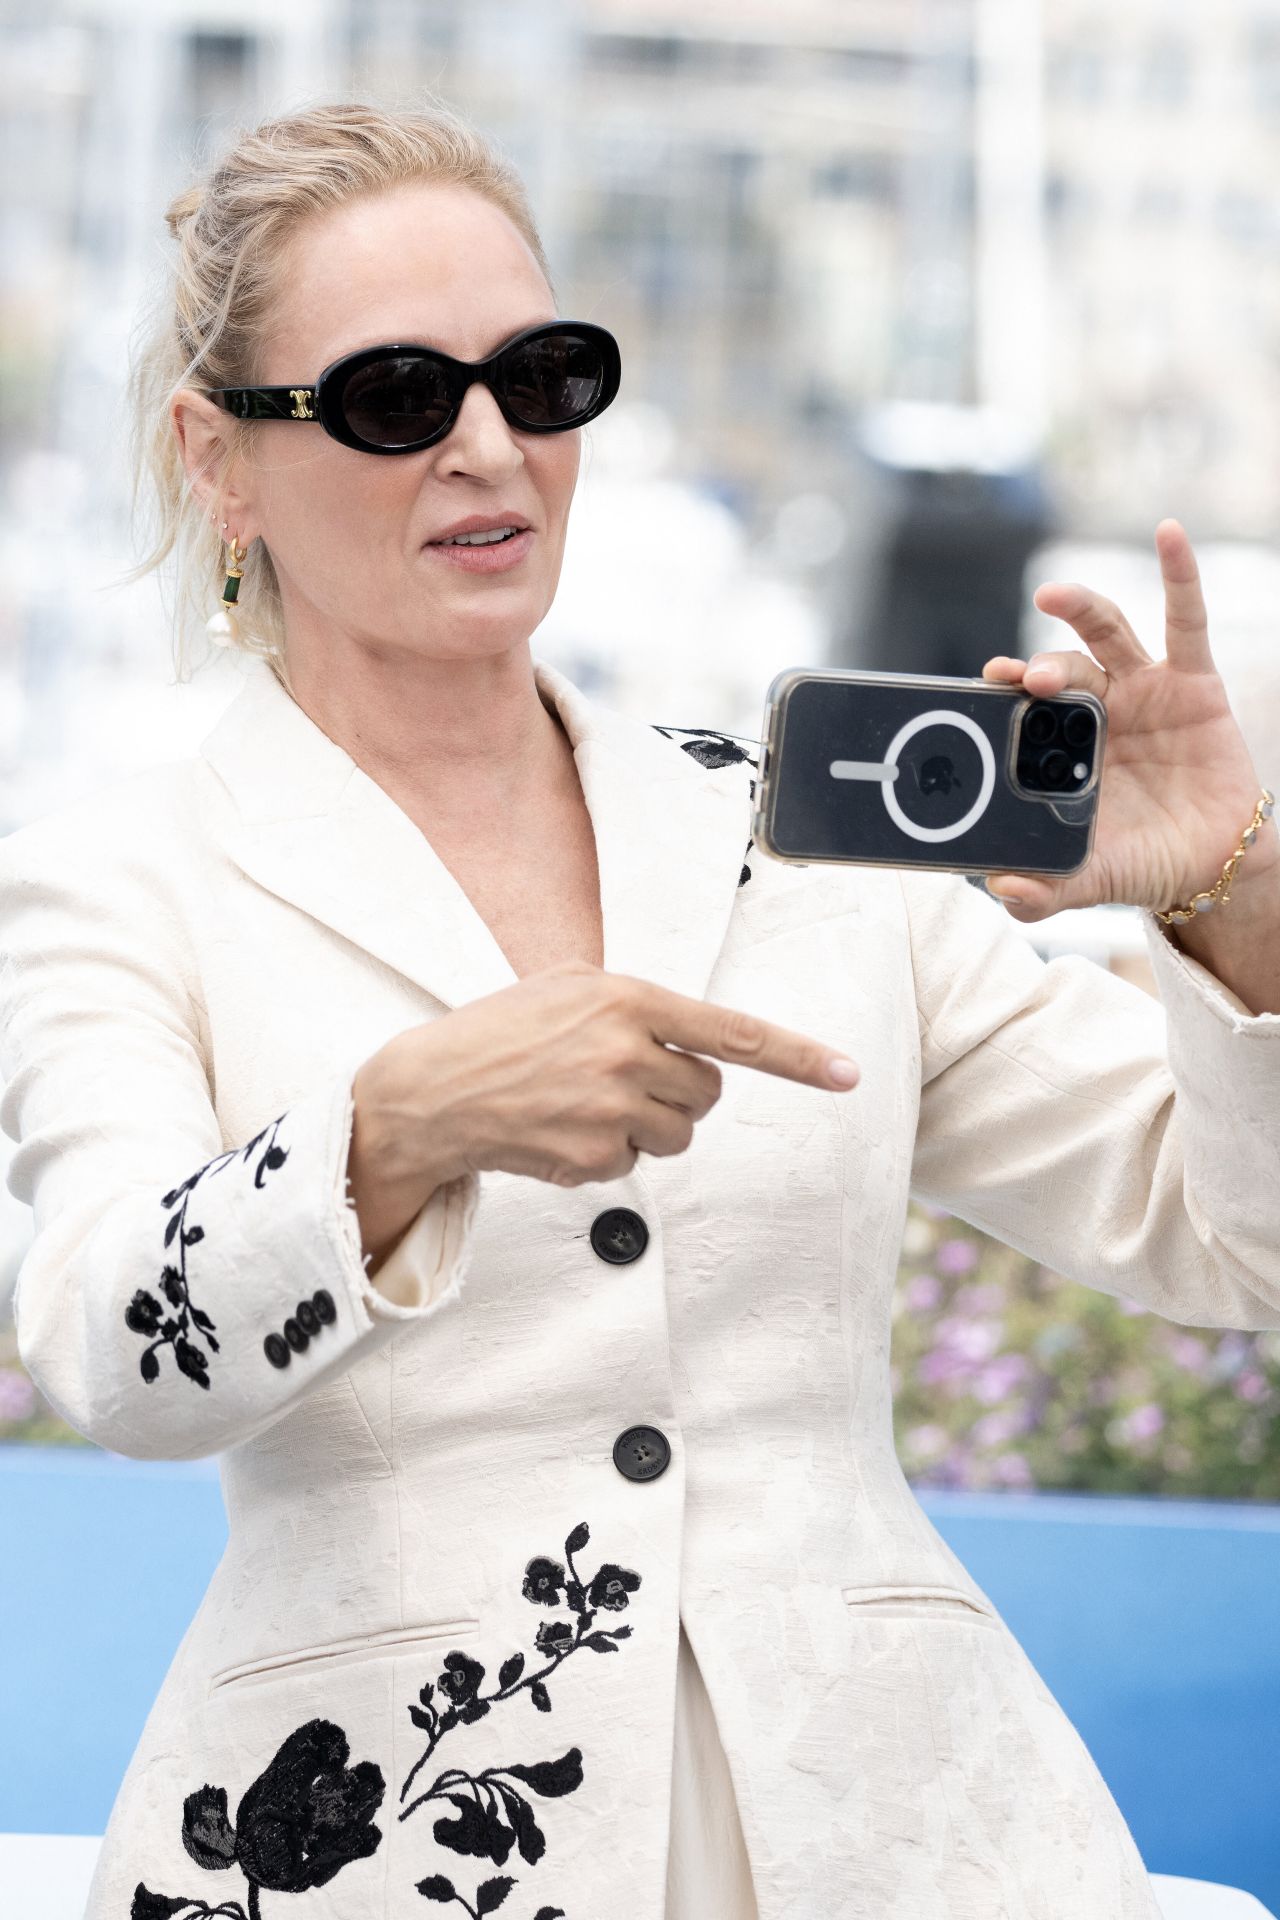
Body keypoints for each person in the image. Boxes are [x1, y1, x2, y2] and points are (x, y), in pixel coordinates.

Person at [1, 98, 1277, 1920]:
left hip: (903, 1833)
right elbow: (113, 1348)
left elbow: (1236, 1245)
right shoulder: (119, 878)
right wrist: (396, 1130)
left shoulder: (789, 832)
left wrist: (1239, 888)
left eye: (543, 376)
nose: (489, 448)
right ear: (219, 459)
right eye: (393, 397)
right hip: (378, 1842)